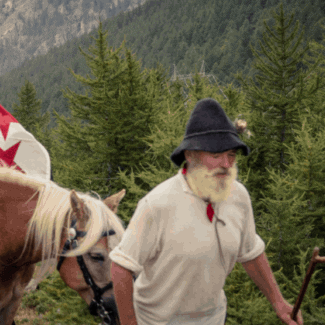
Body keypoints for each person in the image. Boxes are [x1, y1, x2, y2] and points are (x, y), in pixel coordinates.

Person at [109, 98, 303, 325]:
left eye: (231, 155)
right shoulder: (157, 205)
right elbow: (121, 267)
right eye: (216, 155)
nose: (227, 164)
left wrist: (279, 303)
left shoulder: (238, 197)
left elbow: (250, 252)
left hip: (213, 319)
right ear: (190, 155)